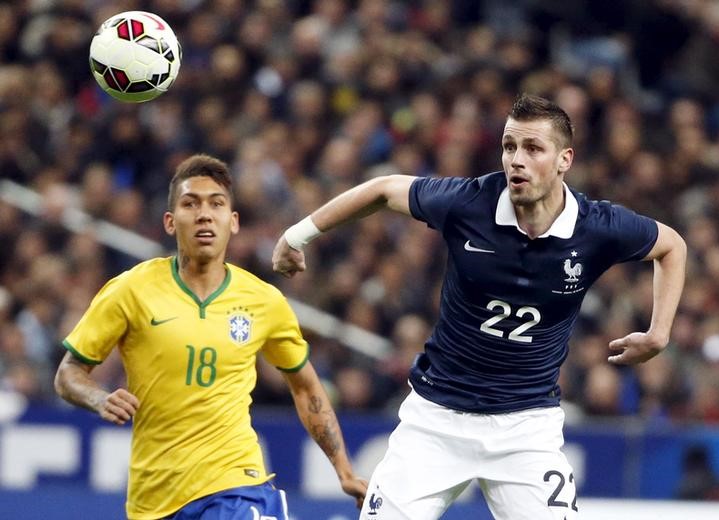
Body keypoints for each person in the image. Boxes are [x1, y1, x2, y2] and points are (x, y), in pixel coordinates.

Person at [272, 94, 687, 519]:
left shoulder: (597, 226)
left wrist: (659, 333)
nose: (516, 160)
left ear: (565, 160)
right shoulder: (469, 203)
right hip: (436, 420)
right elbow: (382, 189)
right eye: (509, 146)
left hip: (526, 429)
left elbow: (672, 245)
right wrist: (297, 235)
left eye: (532, 148)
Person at [54, 154, 367, 520]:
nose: (205, 214)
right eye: (191, 204)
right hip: (153, 498)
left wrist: (343, 469)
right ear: (170, 222)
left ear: (233, 222)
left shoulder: (263, 301)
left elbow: (306, 387)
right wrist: (98, 398)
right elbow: (68, 373)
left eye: (216, 204)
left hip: (236, 485)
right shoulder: (130, 290)